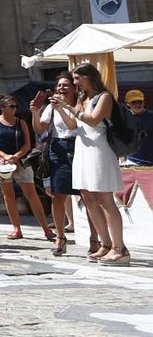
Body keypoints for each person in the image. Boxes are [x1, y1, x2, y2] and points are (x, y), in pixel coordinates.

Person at [53, 63, 128, 265]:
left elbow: (94, 120)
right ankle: (105, 243)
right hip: (83, 150)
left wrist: (69, 107)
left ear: (89, 77)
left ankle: (119, 248)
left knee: (105, 200)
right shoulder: (82, 99)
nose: (75, 82)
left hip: (99, 150)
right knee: (88, 198)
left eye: (77, 78)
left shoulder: (104, 97)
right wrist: (60, 109)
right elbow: (74, 125)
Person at [30, 72, 88, 256]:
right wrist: (35, 113)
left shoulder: (81, 105)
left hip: (80, 146)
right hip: (58, 147)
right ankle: (60, 237)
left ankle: (94, 238)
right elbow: (39, 128)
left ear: (74, 87)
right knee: (58, 194)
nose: (61, 88)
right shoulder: (52, 107)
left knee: (87, 195)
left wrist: (62, 107)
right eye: (59, 85)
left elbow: (73, 126)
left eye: (65, 85)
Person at [0, 94, 54, 242]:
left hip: (20, 159)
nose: (15, 109)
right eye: (11, 106)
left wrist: (16, 156)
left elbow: (28, 144)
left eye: (15, 106)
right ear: (2, 107)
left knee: (31, 193)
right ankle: (17, 228)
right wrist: (5, 156)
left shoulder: (20, 123)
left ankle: (46, 229)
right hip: (1, 160)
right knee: (8, 195)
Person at [122, 90, 153, 166]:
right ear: (127, 103)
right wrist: (122, 159)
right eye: (133, 102)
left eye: (139, 101)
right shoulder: (124, 118)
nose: (137, 104)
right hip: (132, 161)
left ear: (144, 102)